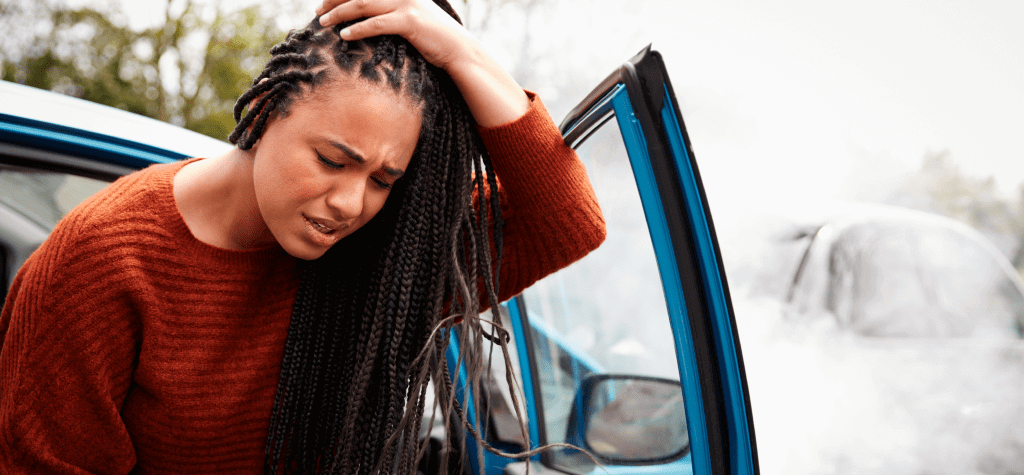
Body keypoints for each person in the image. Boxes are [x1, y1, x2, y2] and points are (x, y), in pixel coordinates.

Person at [0, 0, 606, 473]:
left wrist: (463, 55)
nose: (349, 203)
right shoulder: (102, 260)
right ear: (267, 107)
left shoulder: (380, 255)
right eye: (331, 159)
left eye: (383, 179)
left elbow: (567, 221)